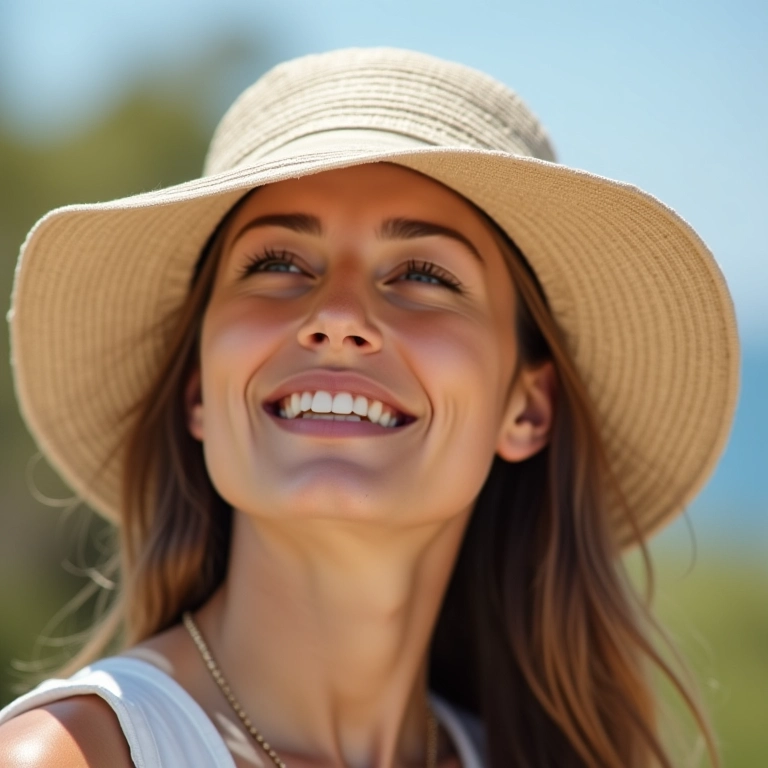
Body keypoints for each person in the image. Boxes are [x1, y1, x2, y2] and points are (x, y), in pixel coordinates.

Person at [0, 48, 738, 767]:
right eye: (278, 263)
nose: (338, 315)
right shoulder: (73, 756)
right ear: (199, 389)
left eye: (422, 273)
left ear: (526, 410)